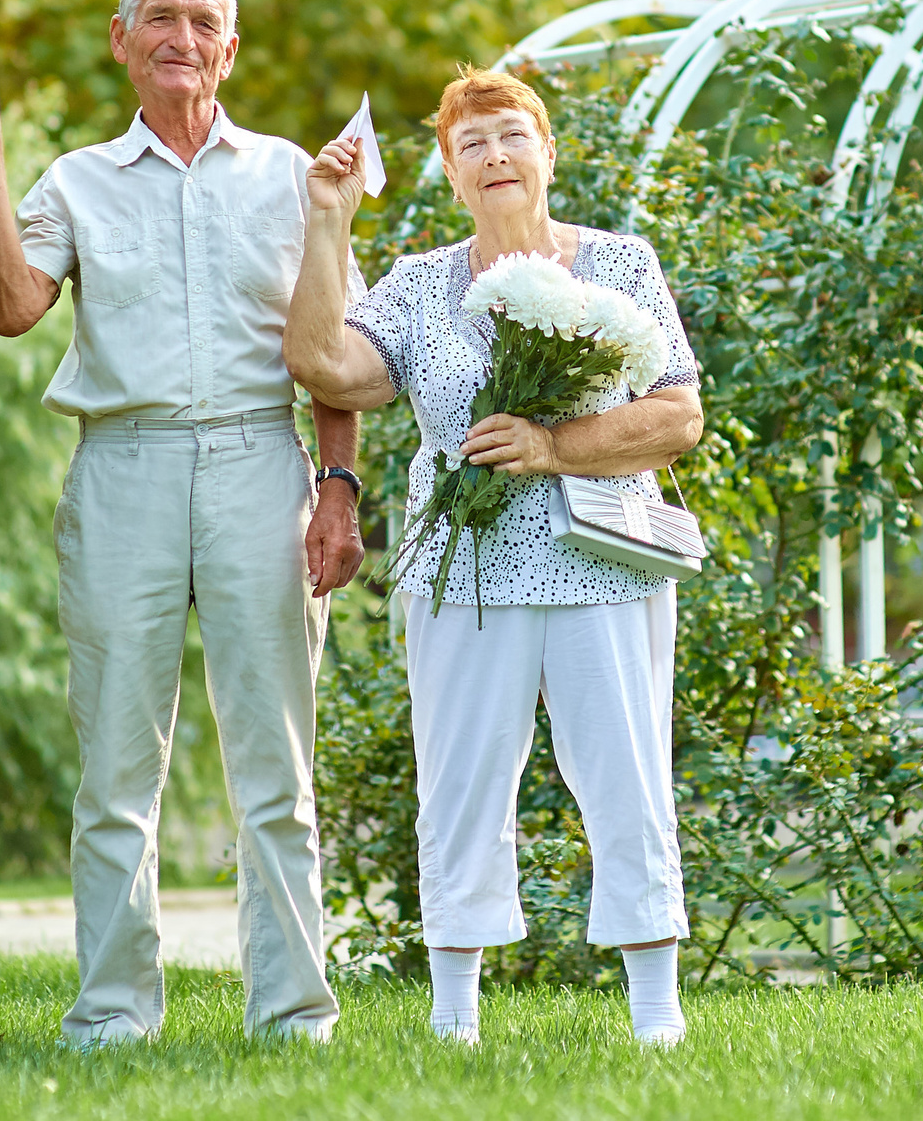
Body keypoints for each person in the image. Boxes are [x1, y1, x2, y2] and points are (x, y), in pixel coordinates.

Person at [0, 0, 366, 1048]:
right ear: (122, 41)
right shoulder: (76, 178)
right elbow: (12, 306)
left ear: (230, 47)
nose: (181, 38)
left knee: (275, 765)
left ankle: (294, 1015)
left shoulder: (290, 176)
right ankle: (115, 1016)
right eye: (158, 19)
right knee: (117, 766)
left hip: (261, 467)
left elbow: (334, 353)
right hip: (122, 467)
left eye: (202, 21)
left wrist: (338, 490)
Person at [282, 66, 705, 1047]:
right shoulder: (421, 285)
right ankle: (453, 1017)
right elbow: (322, 366)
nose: (495, 156)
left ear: (547, 155)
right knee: (462, 782)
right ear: (447, 171)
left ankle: (655, 1013)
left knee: (626, 777)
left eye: (512, 136)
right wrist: (326, 222)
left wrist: (553, 448)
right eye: (470, 144)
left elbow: (677, 414)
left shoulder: (618, 264)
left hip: (603, 561)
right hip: (459, 575)